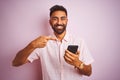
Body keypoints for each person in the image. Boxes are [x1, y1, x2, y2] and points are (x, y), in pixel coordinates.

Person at [12, 5, 94, 80]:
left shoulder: (79, 41)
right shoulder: (41, 43)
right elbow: (16, 62)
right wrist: (32, 45)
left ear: (67, 21)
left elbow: (89, 72)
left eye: (62, 18)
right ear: (50, 22)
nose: (59, 22)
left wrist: (78, 63)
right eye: (55, 19)